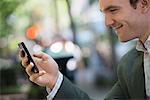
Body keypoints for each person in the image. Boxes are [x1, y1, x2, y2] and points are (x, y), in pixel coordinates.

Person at [19, 0, 150, 99]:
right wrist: (54, 80)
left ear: (144, 4)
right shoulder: (128, 65)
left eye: (113, 10)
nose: (107, 22)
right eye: (104, 13)